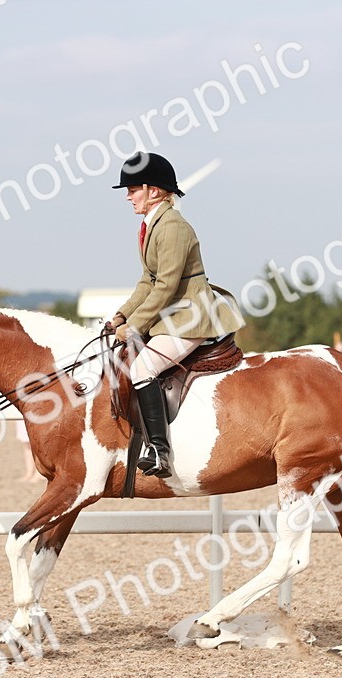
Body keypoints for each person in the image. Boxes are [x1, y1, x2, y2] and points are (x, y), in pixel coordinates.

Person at [106, 152, 244, 478]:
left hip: (190, 318)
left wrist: (135, 326)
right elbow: (147, 281)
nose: (128, 197)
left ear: (153, 191)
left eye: (133, 190)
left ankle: (159, 450)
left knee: (142, 368)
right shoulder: (151, 226)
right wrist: (121, 316)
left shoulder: (172, 227)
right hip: (173, 315)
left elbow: (166, 285)